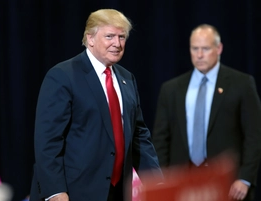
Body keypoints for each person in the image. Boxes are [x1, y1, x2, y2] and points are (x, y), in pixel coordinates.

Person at [29, 9, 162, 201]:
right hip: (75, 192)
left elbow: (139, 136)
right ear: (90, 38)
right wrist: (56, 192)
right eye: (110, 36)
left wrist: (156, 184)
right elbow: (48, 142)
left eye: (122, 37)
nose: (117, 44)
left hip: (117, 192)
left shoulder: (127, 78)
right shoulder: (63, 76)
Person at [152, 24, 261, 201]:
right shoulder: (171, 89)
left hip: (228, 185)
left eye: (205, 49)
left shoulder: (242, 84)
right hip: (182, 185)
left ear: (219, 48)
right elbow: (161, 139)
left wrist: (245, 178)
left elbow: (254, 136)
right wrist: (163, 180)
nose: (199, 55)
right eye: (195, 49)